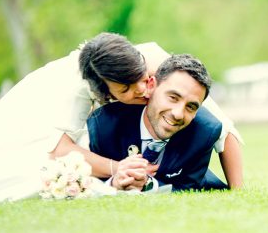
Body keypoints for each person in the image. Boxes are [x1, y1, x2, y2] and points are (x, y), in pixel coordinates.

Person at [0, 33, 242, 204]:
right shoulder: (72, 92)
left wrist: (239, 191)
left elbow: (221, 125)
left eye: (144, 81)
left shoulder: (150, 60)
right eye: (128, 89)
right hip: (30, 118)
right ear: (104, 90)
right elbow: (59, 148)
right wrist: (117, 168)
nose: (144, 92)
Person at [88, 53, 231, 192]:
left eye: (191, 106)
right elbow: (87, 178)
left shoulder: (204, 131)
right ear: (151, 86)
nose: (178, 114)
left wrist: (149, 185)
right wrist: (113, 183)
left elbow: (188, 187)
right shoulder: (103, 124)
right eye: (173, 97)